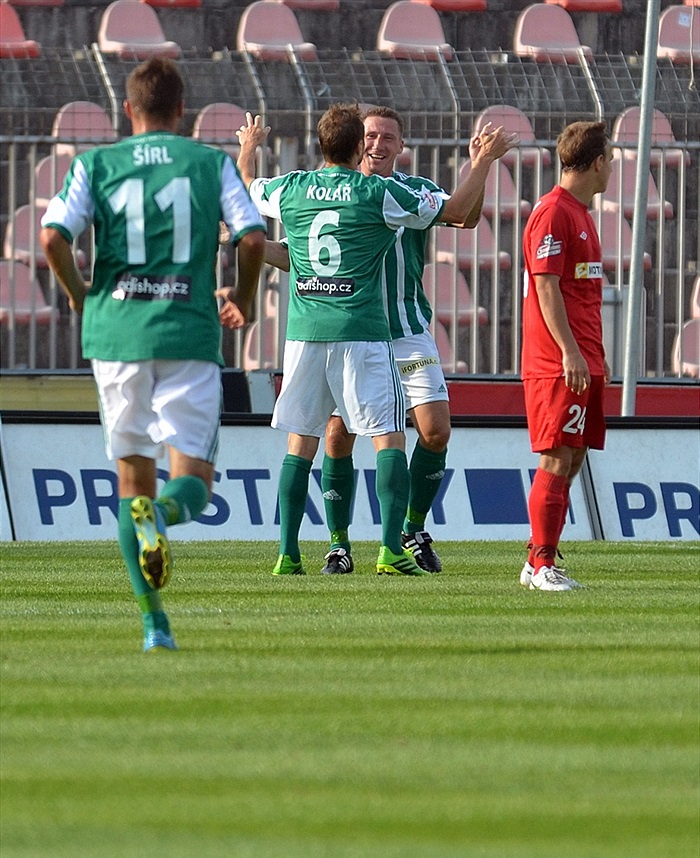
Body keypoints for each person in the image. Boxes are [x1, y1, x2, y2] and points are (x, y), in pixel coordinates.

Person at [40, 57, 266, 651]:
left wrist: (80, 295)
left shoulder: (96, 164)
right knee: (193, 481)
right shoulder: (211, 163)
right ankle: (162, 515)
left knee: (130, 482)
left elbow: (52, 236)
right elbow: (251, 238)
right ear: (182, 109)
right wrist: (243, 298)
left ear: (128, 109)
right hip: (187, 334)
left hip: (117, 337)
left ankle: (154, 625)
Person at [235, 107, 516, 575]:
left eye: (388, 137)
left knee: (434, 429)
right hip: (361, 333)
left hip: (400, 332)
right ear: (356, 143)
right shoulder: (376, 195)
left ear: (401, 146)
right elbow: (295, 255)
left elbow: (464, 217)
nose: (378, 144)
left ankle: (407, 529)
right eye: (370, 136)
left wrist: (479, 167)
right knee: (347, 435)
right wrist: (483, 161)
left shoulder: (407, 189)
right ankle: (341, 545)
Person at [520, 120, 612, 591]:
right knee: (558, 456)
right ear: (597, 162)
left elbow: (581, 293)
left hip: (582, 357)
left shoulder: (581, 213)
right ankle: (542, 566)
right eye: (610, 159)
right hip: (556, 361)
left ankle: (537, 557)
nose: (611, 168)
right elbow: (546, 286)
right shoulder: (554, 212)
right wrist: (570, 353)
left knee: (573, 456)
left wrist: (595, 356)